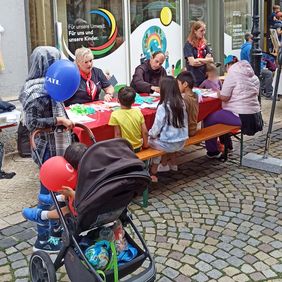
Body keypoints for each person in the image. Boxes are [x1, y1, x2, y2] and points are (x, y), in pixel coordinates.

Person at [19, 46, 74, 253]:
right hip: (46, 149)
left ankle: (56, 230)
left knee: (56, 192)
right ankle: (43, 238)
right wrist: (58, 120)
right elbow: (32, 123)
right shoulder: (37, 90)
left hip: (53, 144)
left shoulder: (50, 85)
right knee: (47, 192)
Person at [203, 55, 262, 158]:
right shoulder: (253, 75)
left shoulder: (232, 74)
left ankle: (212, 151)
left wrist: (218, 94)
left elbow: (224, 97)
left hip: (240, 116)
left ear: (228, 66)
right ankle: (228, 146)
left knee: (209, 118)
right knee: (220, 116)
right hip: (255, 116)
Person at [22, 142, 88, 224]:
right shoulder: (90, 171)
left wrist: (71, 193)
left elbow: (87, 198)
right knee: (72, 196)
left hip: (83, 207)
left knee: (66, 210)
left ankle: (42, 216)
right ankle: (60, 198)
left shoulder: (86, 177)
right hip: (82, 202)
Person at [148, 76, 188, 181]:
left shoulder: (163, 106)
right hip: (181, 141)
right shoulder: (181, 102)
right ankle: (170, 164)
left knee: (148, 141)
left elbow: (155, 129)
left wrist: (149, 134)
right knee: (156, 139)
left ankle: (153, 170)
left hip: (168, 143)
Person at [108, 86, 148, 151]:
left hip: (125, 149)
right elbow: (145, 131)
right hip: (138, 147)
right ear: (134, 101)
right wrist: (145, 145)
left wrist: (118, 151)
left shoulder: (114, 114)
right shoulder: (138, 112)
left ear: (118, 100)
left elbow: (117, 135)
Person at [240, 32, 273, 99]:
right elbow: (253, 61)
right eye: (253, 37)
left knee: (265, 73)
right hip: (251, 69)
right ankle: (268, 94)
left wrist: (262, 65)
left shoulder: (245, 47)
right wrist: (262, 67)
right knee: (269, 74)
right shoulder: (249, 48)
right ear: (249, 38)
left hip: (248, 68)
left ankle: (261, 91)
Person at [184, 21, 214, 86]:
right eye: (201, 31)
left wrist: (198, 60)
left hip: (204, 78)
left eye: (204, 30)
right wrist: (205, 60)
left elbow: (211, 60)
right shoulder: (188, 45)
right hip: (193, 79)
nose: (203, 33)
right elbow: (192, 63)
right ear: (195, 31)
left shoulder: (204, 44)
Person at [177, 71, 199, 137]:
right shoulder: (195, 95)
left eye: (178, 84)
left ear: (185, 84)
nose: (177, 86)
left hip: (187, 131)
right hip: (193, 128)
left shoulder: (185, 99)